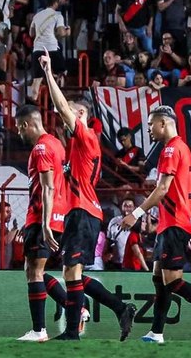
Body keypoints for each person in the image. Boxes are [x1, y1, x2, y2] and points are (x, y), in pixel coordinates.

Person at [39, 49, 136, 341]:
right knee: (75, 273)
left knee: (71, 271)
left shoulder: (85, 134)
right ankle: (120, 309)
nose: (65, 114)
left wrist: (48, 73)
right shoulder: (78, 146)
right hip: (82, 212)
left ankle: (72, 331)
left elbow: (60, 107)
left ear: (80, 114)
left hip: (83, 212)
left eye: (71, 111)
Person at [121, 105, 191, 343]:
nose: (150, 129)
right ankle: (157, 332)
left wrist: (138, 212)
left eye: (152, 124)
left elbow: (162, 189)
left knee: (172, 280)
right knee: (158, 278)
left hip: (176, 223)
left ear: (164, 123)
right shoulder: (180, 147)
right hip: (171, 223)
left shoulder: (171, 149)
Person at [14, 104, 69, 341]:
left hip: (41, 217)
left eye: (19, 128)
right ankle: (76, 306)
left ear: (26, 124)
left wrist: (45, 223)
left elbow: (48, 186)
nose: (19, 133)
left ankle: (39, 331)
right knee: (34, 269)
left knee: (35, 272)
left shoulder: (41, 147)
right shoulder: (56, 143)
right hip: (53, 215)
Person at [29, 0, 70, 101]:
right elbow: (61, 33)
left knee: (36, 80)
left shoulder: (37, 16)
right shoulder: (57, 15)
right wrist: (67, 32)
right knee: (62, 73)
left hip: (37, 49)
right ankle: (58, 100)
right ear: (56, 3)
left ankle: (31, 103)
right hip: (52, 49)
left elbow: (31, 33)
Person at [106, 197, 136, 269]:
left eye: (130, 206)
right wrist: (108, 252)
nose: (127, 208)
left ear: (134, 208)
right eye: (125, 206)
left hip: (133, 261)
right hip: (117, 260)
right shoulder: (114, 221)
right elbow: (109, 239)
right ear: (120, 207)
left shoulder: (138, 221)